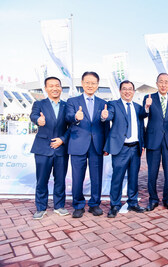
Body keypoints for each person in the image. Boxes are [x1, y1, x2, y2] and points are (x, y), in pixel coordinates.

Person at [66, 71, 110, 218]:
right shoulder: (72, 101)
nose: (90, 85)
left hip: (97, 145)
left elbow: (106, 125)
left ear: (97, 85)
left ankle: (94, 204)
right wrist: (76, 118)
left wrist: (105, 119)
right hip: (78, 144)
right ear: (82, 83)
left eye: (93, 83)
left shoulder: (103, 103)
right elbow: (68, 117)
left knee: (96, 177)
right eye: (87, 82)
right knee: (77, 177)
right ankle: (78, 205)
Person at [103, 80, 147, 218]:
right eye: (124, 89)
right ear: (120, 91)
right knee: (117, 177)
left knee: (134, 177)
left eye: (130, 89)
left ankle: (133, 202)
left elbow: (143, 121)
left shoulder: (138, 107)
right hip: (120, 148)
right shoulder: (113, 105)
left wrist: (147, 108)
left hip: (135, 148)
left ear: (134, 92)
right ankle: (115, 205)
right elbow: (109, 115)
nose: (127, 91)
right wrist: (104, 116)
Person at [30, 77, 70, 219]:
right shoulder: (39, 104)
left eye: (57, 85)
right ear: (46, 88)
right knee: (42, 180)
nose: (55, 88)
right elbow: (33, 115)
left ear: (61, 88)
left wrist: (62, 140)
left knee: (60, 179)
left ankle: (59, 206)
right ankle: (41, 207)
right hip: (42, 148)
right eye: (51, 86)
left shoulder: (67, 106)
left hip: (61, 149)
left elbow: (71, 127)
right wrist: (38, 120)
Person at [143, 73, 168, 211]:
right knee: (152, 172)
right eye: (161, 82)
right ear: (156, 83)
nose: (163, 84)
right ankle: (153, 199)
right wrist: (146, 107)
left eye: (166, 82)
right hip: (153, 140)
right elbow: (143, 115)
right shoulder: (149, 98)